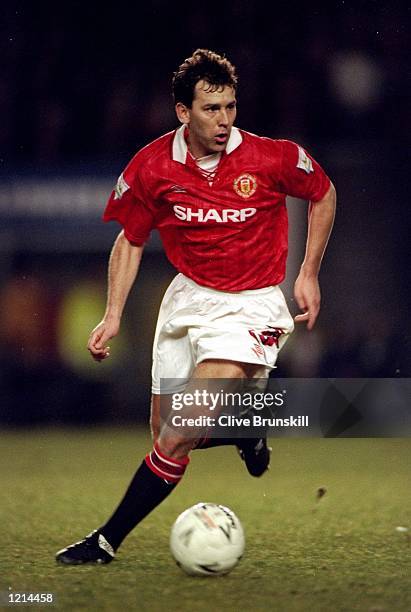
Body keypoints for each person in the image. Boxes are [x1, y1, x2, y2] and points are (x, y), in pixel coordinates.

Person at [56, 49, 336, 564]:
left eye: (230, 106)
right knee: (165, 430)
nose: (225, 120)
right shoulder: (152, 167)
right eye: (211, 109)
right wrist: (113, 314)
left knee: (181, 428)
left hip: (251, 306)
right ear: (183, 112)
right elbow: (131, 239)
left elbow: (323, 191)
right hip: (188, 299)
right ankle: (247, 428)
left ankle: (105, 541)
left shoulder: (271, 157)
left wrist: (309, 272)